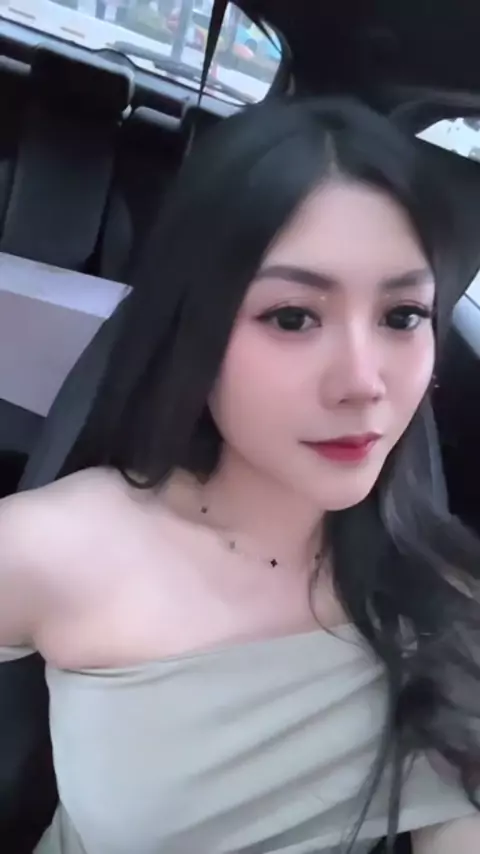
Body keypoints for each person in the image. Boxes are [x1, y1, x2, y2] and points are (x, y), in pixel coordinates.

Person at [1, 97, 480, 854]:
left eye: (402, 317)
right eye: (292, 317)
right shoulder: (54, 547)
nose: (364, 383)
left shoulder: (447, 597)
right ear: (194, 324)